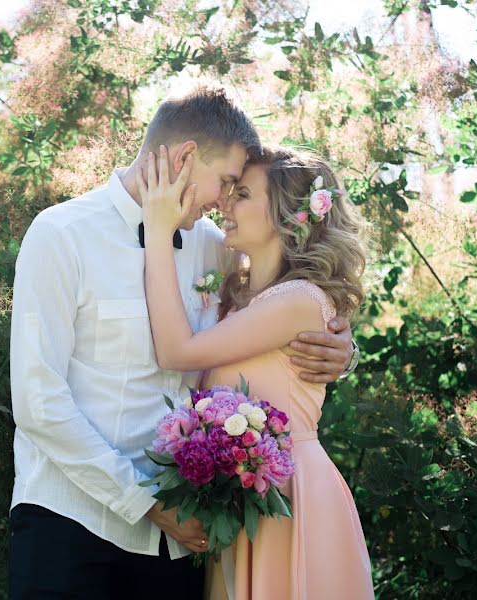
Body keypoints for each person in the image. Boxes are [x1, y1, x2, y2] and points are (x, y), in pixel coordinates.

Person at [8, 86, 359, 599]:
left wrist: (342, 347)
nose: (224, 202)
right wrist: (145, 502)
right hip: (71, 522)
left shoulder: (212, 249)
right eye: (226, 183)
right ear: (187, 157)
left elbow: (285, 301)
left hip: (176, 542)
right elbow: (39, 403)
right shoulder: (61, 235)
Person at [138, 144, 374, 599]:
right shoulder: (237, 294)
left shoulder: (299, 299)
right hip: (245, 495)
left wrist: (158, 231)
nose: (225, 202)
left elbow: (176, 350)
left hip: (290, 495)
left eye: (242, 193)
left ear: (287, 216)